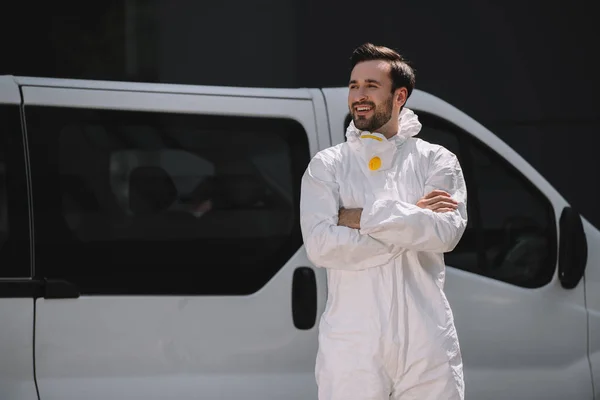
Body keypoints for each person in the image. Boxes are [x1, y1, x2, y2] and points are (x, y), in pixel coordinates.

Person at [299, 43, 468, 400]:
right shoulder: (328, 165)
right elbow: (321, 245)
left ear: (399, 95)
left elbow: (446, 232)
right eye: (353, 85)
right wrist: (411, 219)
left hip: (427, 344)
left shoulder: (437, 160)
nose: (359, 95)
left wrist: (359, 217)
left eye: (371, 86)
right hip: (352, 348)